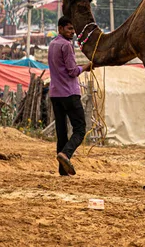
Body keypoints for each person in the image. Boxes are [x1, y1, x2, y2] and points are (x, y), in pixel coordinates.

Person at [48, 16, 92, 176]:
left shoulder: (52, 44)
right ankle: (66, 154)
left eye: (73, 29)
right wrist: (85, 67)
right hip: (69, 93)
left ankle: (62, 170)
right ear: (60, 28)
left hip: (55, 93)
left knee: (61, 132)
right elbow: (73, 71)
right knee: (80, 129)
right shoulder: (66, 46)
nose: (72, 32)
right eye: (69, 29)